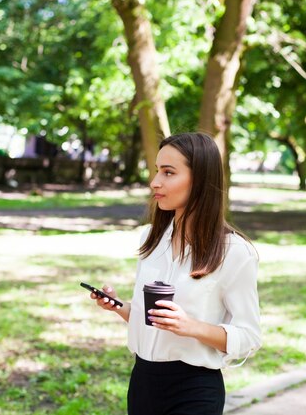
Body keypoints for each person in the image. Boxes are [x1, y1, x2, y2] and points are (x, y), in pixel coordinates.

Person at [88, 132, 262, 415]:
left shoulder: (233, 251)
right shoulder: (151, 239)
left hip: (194, 390)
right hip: (143, 384)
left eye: (168, 172)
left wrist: (191, 326)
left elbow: (250, 337)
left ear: (201, 179)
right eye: (157, 171)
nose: (155, 182)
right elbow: (154, 322)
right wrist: (122, 308)